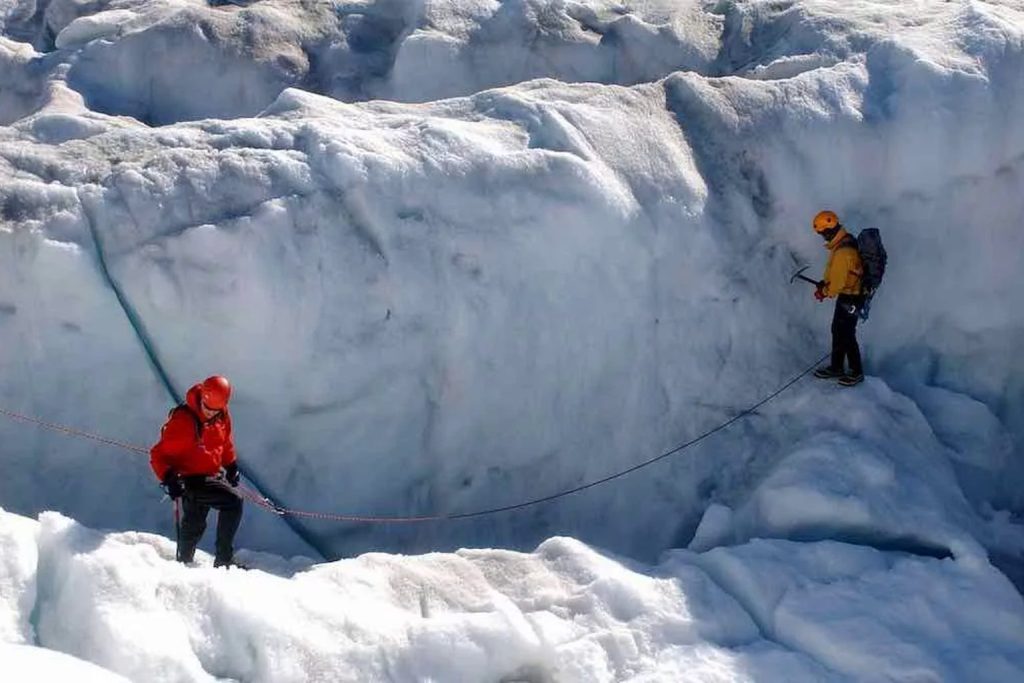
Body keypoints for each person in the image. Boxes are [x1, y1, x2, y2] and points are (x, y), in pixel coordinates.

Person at [150, 375, 243, 567]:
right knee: (233, 502)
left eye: (215, 410)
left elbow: (224, 442)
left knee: (194, 524)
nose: (210, 413)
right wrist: (168, 478)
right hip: (189, 479)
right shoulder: (184, 421)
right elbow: (158, 454)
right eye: (207, 408)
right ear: (202, 398)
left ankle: (183, 563)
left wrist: (231, 465)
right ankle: (224, 560)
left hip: (210, 474)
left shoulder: (221, 415)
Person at [810, 211, 865, 386]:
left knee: (847, 334)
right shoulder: (843, 243)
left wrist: (824, 292)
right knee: (838, 330)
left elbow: (838, 284)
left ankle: (856, 372)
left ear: (828, 230)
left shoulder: (843, 252)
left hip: (851, 297)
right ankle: (837, 367)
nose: (822, 237)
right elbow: (839, 275)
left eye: (822, 234)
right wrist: (825, 283)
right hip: (848, 296)